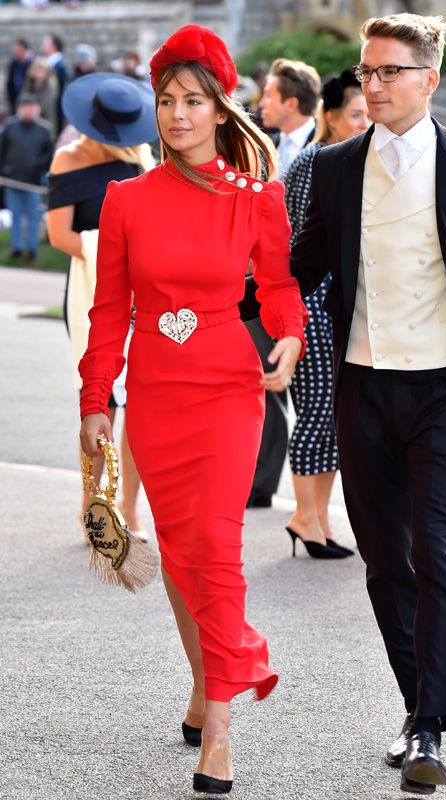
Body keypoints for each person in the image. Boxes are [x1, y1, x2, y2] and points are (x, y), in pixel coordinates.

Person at [240, 12, 446, 794]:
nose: (372, 86)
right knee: (384, 565)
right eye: (366, 72)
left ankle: (432, 725)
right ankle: (416, 709)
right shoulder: (334, 169)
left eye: (389, 72)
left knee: (436, 555)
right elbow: (295, 269)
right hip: (364, 387)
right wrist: (228, 290)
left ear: (429, 80)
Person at [78, 24, 307, 795]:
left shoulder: (256, 197)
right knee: (181, 560)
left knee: (215, 550)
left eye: (193, 101)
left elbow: (277, 288)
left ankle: (220, 731)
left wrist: (290, 335)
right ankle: (209, 682)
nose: (177, 115)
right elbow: (109, 312)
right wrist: (94, 400)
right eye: (167, 101)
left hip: (226, 392)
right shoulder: (125, 199)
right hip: (155, 394)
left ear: (219, 108)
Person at [47, 73, 157, 541]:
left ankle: (129, 510)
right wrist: (109, 255)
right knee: (98, 400)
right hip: (90, 291)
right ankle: (95, 507)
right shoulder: (67, 159)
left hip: (142, 293)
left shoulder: (142, 160)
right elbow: (59, 236)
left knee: (137, 402)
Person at [283, 69, 370, 558]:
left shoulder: (354, 161)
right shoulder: (313, 162)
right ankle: (303, 516)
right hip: (312, 306)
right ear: (331, 117)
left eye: (366, 114)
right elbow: (300, 248)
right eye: (355, 114)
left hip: (343, 306)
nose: (364, 121)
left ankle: (319, 516)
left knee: (337, 416)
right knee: (316, 412)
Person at [245, 57, 321, 509]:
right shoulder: (259, 147)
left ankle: (314, 503)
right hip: (263, 284)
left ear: (291, 102)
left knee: (313, 395)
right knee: (265, 377)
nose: (262, 103)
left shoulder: (326, 147)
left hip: (312, 287)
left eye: (269, 95)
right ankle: (262, 480)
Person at [0, 94, 54, 260]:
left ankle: (32, 248)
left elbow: (49, 155)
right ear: (20, 109)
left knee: (33, 215)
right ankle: (16, 247)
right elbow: (2, 151)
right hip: (12, 178)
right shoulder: (10, 127)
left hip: (33, 181)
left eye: (32, 107)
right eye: (26, 107)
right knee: (15, 214)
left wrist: (39, 169)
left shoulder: (44, 130)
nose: (29, 111)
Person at [22, 57, 59, 130]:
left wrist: (33, 109)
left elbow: (47, 103)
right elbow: (22, 99)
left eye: (41, 71)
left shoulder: (51, 84)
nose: (39, 74)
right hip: (28, 119)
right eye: (37, 71)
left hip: (46, 119)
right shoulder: (28, 84)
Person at [41, 33, 69, 132]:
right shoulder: (49, 63)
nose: (43, 45)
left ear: (54, 46)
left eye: (46, 43)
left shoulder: (60, 66)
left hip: (55, 107)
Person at [6, 38, 34, 115]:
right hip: (14, 98)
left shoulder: (33, 62)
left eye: (18, 49)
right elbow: (10, 82)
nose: (15, 52)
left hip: (28, 99)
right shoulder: (14, 63)